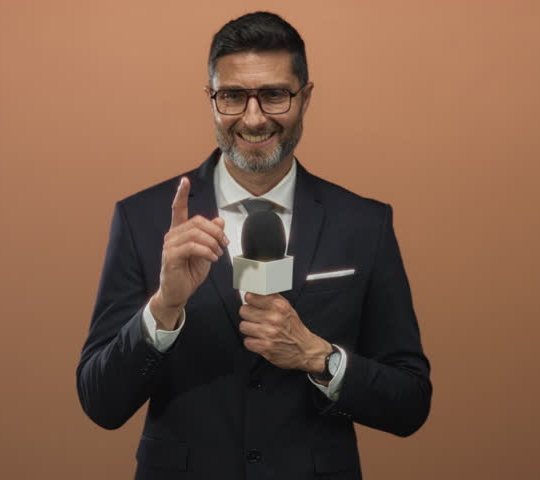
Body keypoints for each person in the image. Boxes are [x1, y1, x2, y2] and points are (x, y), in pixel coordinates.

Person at [76, 11, 431, 480]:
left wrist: (318, 357)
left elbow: (409, 404)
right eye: (233, 96)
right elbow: (101, 403)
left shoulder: (364, 223)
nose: (253, 117)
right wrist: (163, 308)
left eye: (274, 95)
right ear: (211, 99)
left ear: (305, 98)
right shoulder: (142, 219)